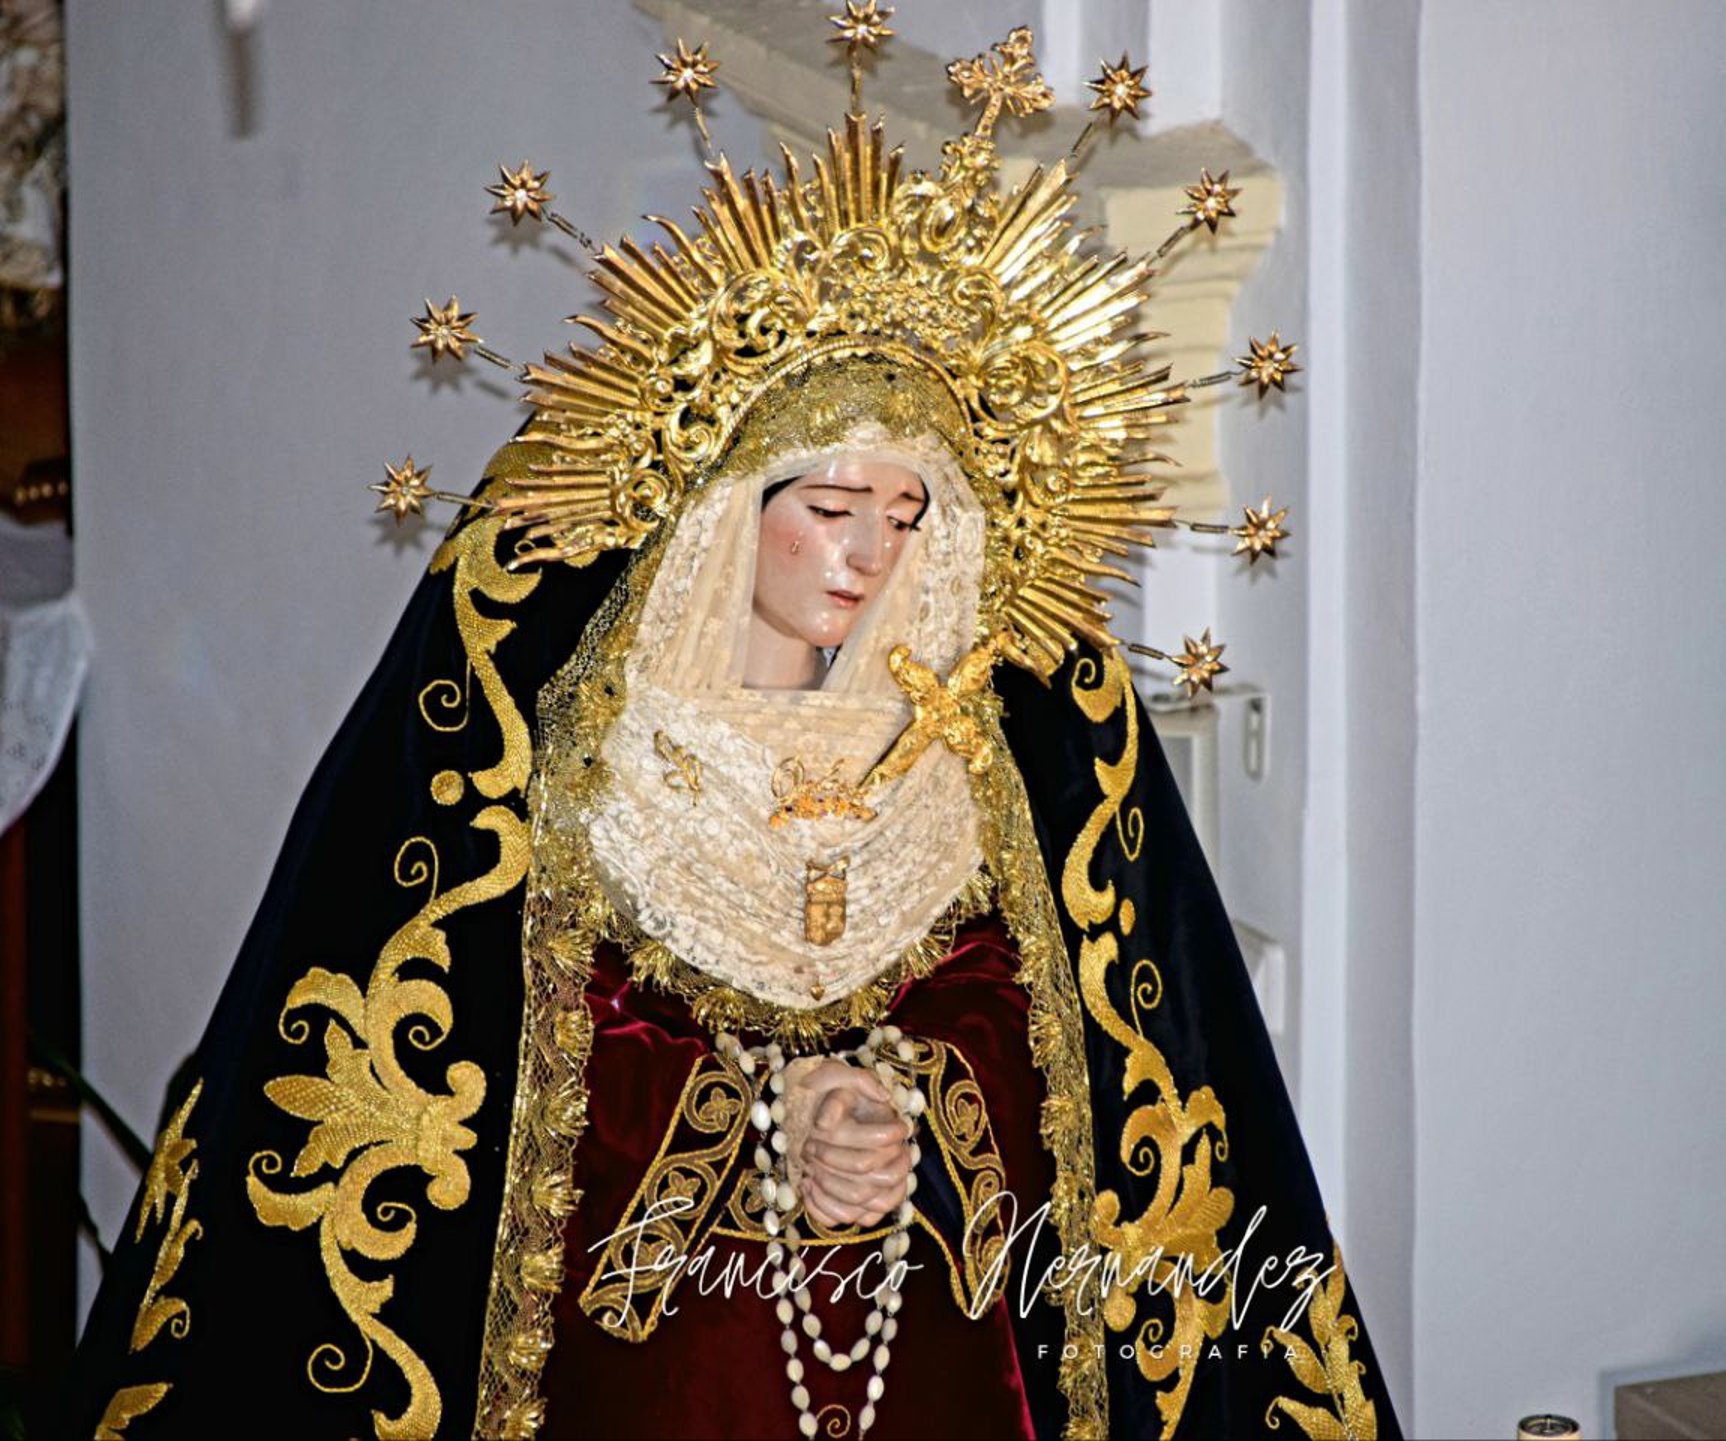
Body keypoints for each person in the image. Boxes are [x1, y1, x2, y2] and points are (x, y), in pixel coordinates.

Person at [59, 76, 1403, 1441]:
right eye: (827, 507)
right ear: (726, 510)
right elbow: (486, 1045)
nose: (869, 553)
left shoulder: (983, 752)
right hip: (646, 1360)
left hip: (939, 1339)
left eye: (905, 513)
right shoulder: (582, 743)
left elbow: (1068, 1037)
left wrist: (907, 1101)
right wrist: (763, 1106)